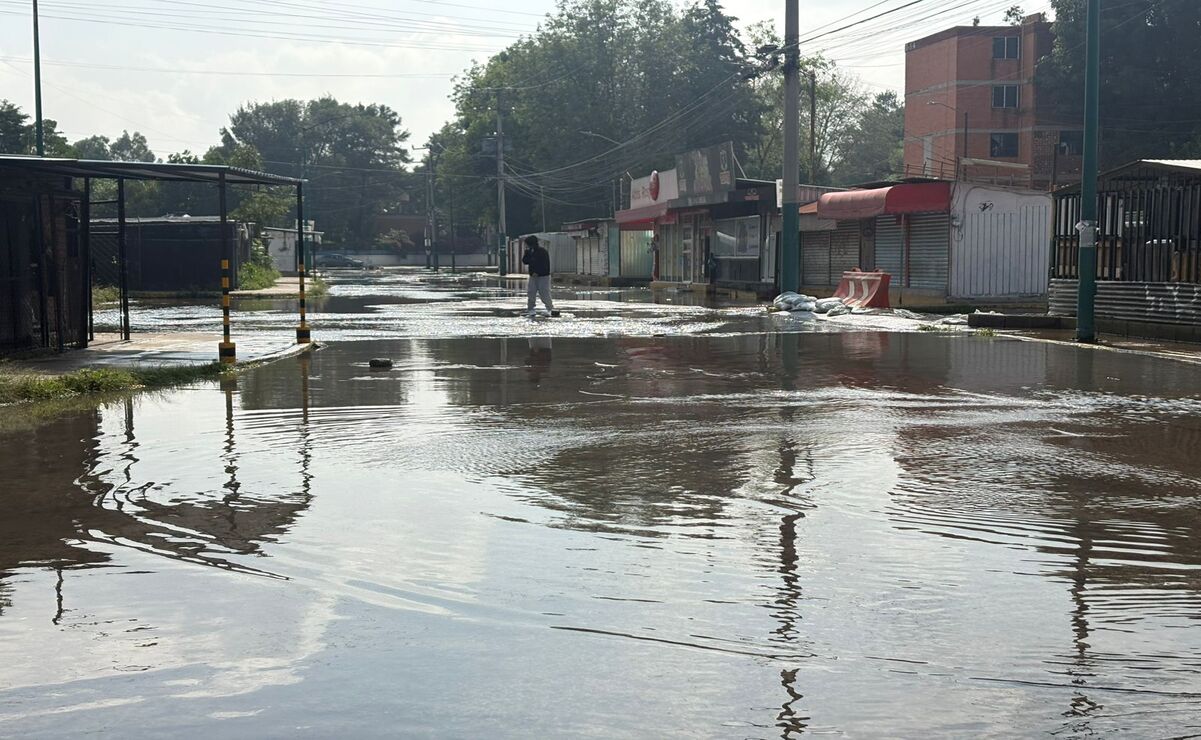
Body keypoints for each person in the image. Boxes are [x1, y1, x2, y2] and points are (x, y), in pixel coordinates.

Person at [521, 235, 554, 316]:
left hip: (543, 276)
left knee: (544, 292)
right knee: (531, 292)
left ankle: (550, 308)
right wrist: (527, 253)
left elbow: (545, 264)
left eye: (527, 244)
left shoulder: (542, 252)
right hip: (533, 276)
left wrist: (538, 272)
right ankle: (531, 308)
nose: (526, 246)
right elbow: (525, 261)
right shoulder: (529, 252)